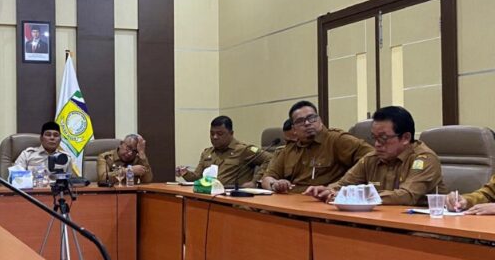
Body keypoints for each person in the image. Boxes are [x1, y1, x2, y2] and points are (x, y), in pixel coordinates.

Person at [304, 106, 445, 205]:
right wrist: (328, 190)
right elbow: (343, 185)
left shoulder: (424, 159)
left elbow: (407, 196)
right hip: (382, 222)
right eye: (374, 138)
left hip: (418, 226)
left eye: (383, 138)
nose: (377, 144)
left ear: (405, 138)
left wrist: (357, 196)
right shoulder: (371, 159)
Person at [261, 101, 373, 193]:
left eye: (312, 118)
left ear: (320, 120)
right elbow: (267, 178)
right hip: (292, 203)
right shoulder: (289, 149)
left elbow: (372, 159)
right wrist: (275, 184)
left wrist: (340, 187)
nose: (307, 123)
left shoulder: (337, 140)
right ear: (294, 129)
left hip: (322, 203)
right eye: (300, 121)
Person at [175, 116, 272, 187]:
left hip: (232, 198)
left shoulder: (243, 150)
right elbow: (198, 179)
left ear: (231, 133)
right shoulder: (207, 153)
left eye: (220, 134)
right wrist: (185, 173)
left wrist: (254, 181)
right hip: (207, 196)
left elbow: (270, 159)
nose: (215, 137)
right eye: (212, 134)